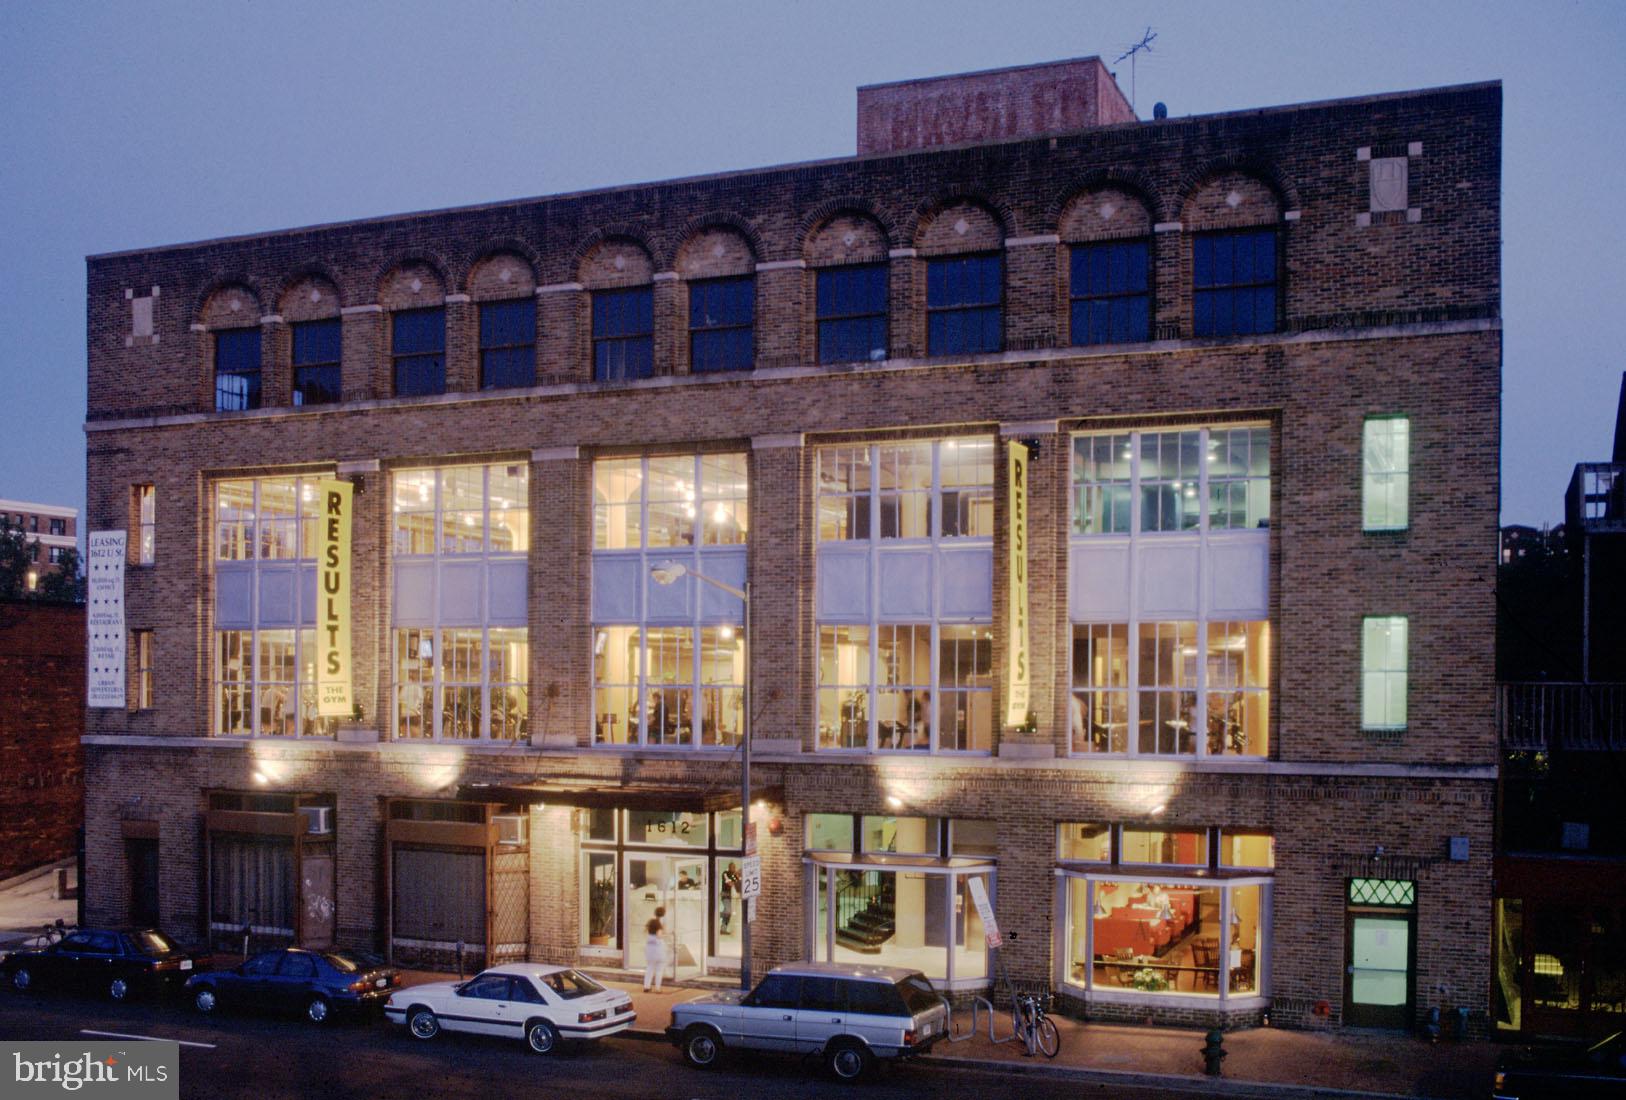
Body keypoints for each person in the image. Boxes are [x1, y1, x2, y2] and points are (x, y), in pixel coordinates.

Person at [643, 905, 668, 993]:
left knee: (649, 968)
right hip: (658, 950)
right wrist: (666, 934)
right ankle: (657, 988)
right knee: (659, 970)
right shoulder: (659, 924)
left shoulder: (651, 922)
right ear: (664, 914)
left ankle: (646, 986)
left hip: (649, 950)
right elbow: (659, 935)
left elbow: (646, 932)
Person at [720, 862, 741, 934]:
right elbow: (729, 883)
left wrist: (736, 876)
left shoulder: (734, 875)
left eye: (734, 867)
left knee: (728, 914)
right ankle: (717, 914)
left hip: (731, 896)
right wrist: (736, 875)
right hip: (725, 895)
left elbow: (736, 884)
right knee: (728, 911)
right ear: (729, 867)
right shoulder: (725, 873)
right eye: (732, 867)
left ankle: (723, 929)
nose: (734, 869)